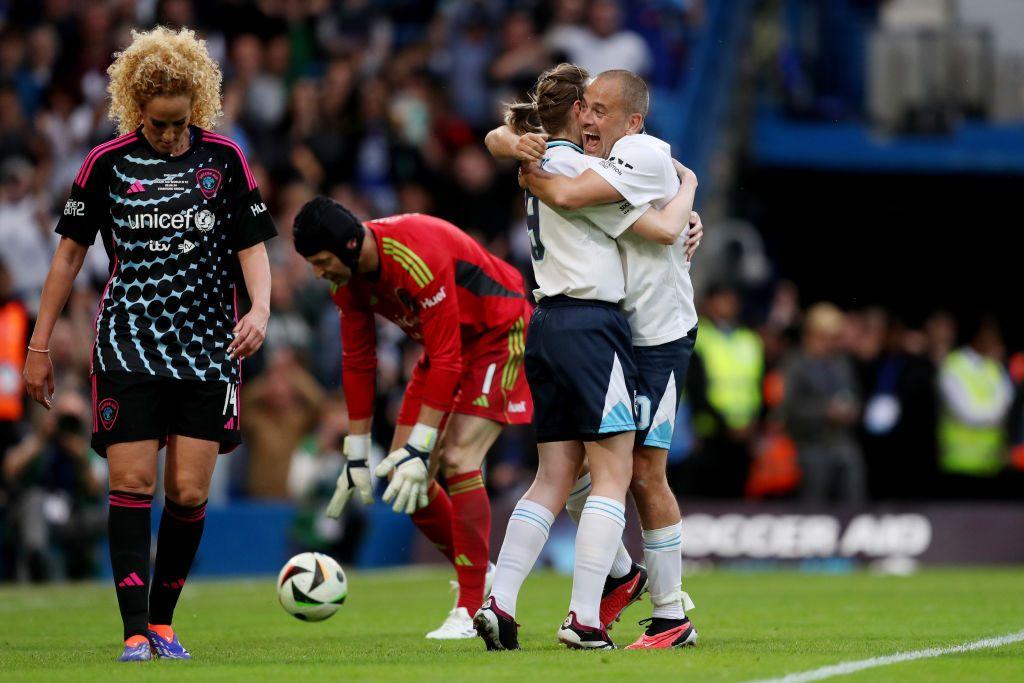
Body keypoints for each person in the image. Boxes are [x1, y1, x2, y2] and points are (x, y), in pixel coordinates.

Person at [22, 27, 275, 662]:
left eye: (179, 123)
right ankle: (134, 629)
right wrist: (39, 344)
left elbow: (252, 246)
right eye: (158, 124)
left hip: (207, 348)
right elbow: (69, 257)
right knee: (132, 484)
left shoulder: (224, 160)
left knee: (188, 493)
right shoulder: (104, 164)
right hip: (129, 344)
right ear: (137, 109)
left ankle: (163, 622)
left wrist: (262, 310)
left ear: (199, 106)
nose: (168, 135)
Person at [476, 64, 699, 650]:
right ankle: (593, 612)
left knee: (569, 475)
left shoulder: (632, 154)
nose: (594, 117)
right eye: (589, 107)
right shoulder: (578, 162)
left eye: (604, 109)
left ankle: (507, 601)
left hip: (583, 324)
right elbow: (654, 227)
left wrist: (688, 201)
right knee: (612, 474)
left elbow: (660, 226)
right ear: (575, 112)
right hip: (595, 326)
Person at [292, 199, 534, 639]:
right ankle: (485, 575)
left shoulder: (414, 253)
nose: (317, 273)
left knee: (458, 460)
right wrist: (358, 449)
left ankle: (470, 604)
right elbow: (359, 359)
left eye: (322, 262)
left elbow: (445, 357)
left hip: (497, 332)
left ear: (349, 245)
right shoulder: (344, 281)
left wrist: (422, 447)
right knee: (406, 480)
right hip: (445, 348)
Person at [781, 303, 866, 503]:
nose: (830, 343)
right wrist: (824, 411)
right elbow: (786, 408)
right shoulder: (795, 365)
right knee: (813, 504)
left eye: (834, 337)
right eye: (825, 336)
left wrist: (853, 410)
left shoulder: (841, 363)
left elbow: (855, 395)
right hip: (808, 446)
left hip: (842, 444)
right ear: (811, 334)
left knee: (853, 496)